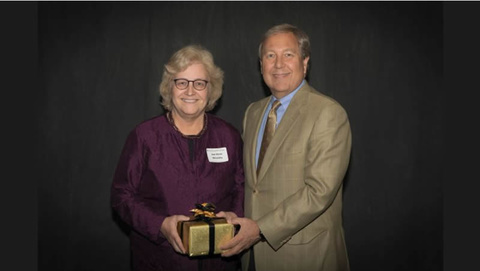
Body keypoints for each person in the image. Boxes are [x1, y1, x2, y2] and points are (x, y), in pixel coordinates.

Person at [219, 23, 352, 271]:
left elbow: (319, 192)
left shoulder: (328, 113)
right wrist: (233, 216)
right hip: (254, 256)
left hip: (306, 256)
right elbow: (253, 186)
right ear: (261, 66)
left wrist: (259, 229)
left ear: (305, 62)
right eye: (270, 56)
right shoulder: (253, 112)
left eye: (288, 55)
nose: (278, 64)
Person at [111, 44, 244, 271]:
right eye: (181, 82)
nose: (190, 91)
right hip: (160, 260)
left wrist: (235, 216)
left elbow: (240, 188)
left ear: (211, 89)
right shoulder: (145, 136)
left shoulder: (229, 136)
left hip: (218, 261)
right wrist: (160, 224)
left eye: (199, 83)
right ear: (169, 88)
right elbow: (121, 196)